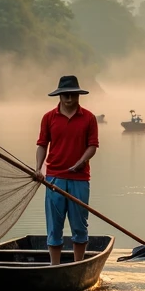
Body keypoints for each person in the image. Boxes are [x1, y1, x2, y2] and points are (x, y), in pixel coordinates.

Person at [36, 75, 99, 264]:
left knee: (80, 226)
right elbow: (41, 145)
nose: (69, 99)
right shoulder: (49, 118)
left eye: (72, 95)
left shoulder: (88, 118)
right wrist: (38, 169)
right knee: (54, 227)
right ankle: (54, 266)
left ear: (78, 95)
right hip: (54, 178)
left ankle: (78, 265)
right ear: (59, 97)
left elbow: (93, 146)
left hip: (79, 179)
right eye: (65, 95)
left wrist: (81, 161)